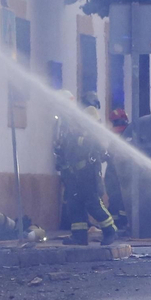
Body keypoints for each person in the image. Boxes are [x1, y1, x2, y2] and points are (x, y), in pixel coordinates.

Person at [56, 94, 119, 246]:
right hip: (73, 172)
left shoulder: (88, 114)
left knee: (93, 203)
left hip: (88, 170)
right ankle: (79, 236)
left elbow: (96, 139)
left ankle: (110, 231)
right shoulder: (65, 121)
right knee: (74, 204)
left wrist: (80, 141)